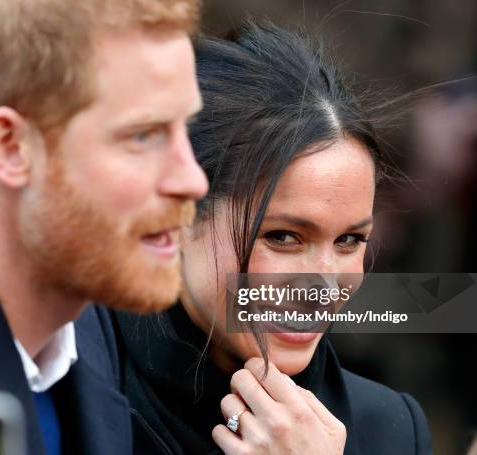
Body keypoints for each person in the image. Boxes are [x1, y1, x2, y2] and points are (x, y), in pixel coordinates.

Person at [0, 0, 208, 454]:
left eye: (186, 128)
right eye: (143, 135)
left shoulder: (84, 321)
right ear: (11, 148)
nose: (193, 180)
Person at [112, 22, 432, 454]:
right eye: (284, 237)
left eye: (350, 241)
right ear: (178, 216)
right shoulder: (71, 391)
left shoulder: (388, 430)